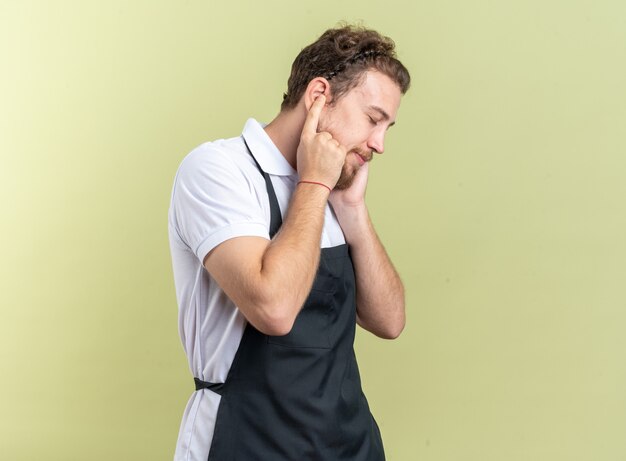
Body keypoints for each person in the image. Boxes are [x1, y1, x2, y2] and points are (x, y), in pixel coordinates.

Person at [168, 24, 411, 461]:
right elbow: (274, 309)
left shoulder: (335, 191)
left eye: (387, 127)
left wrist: (353, 211)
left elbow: (390, 322)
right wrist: (314, 182)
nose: (379, 144)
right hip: (245, 442)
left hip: (348, 445)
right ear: (319, 95)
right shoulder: (217, 171)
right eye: (374, 119)